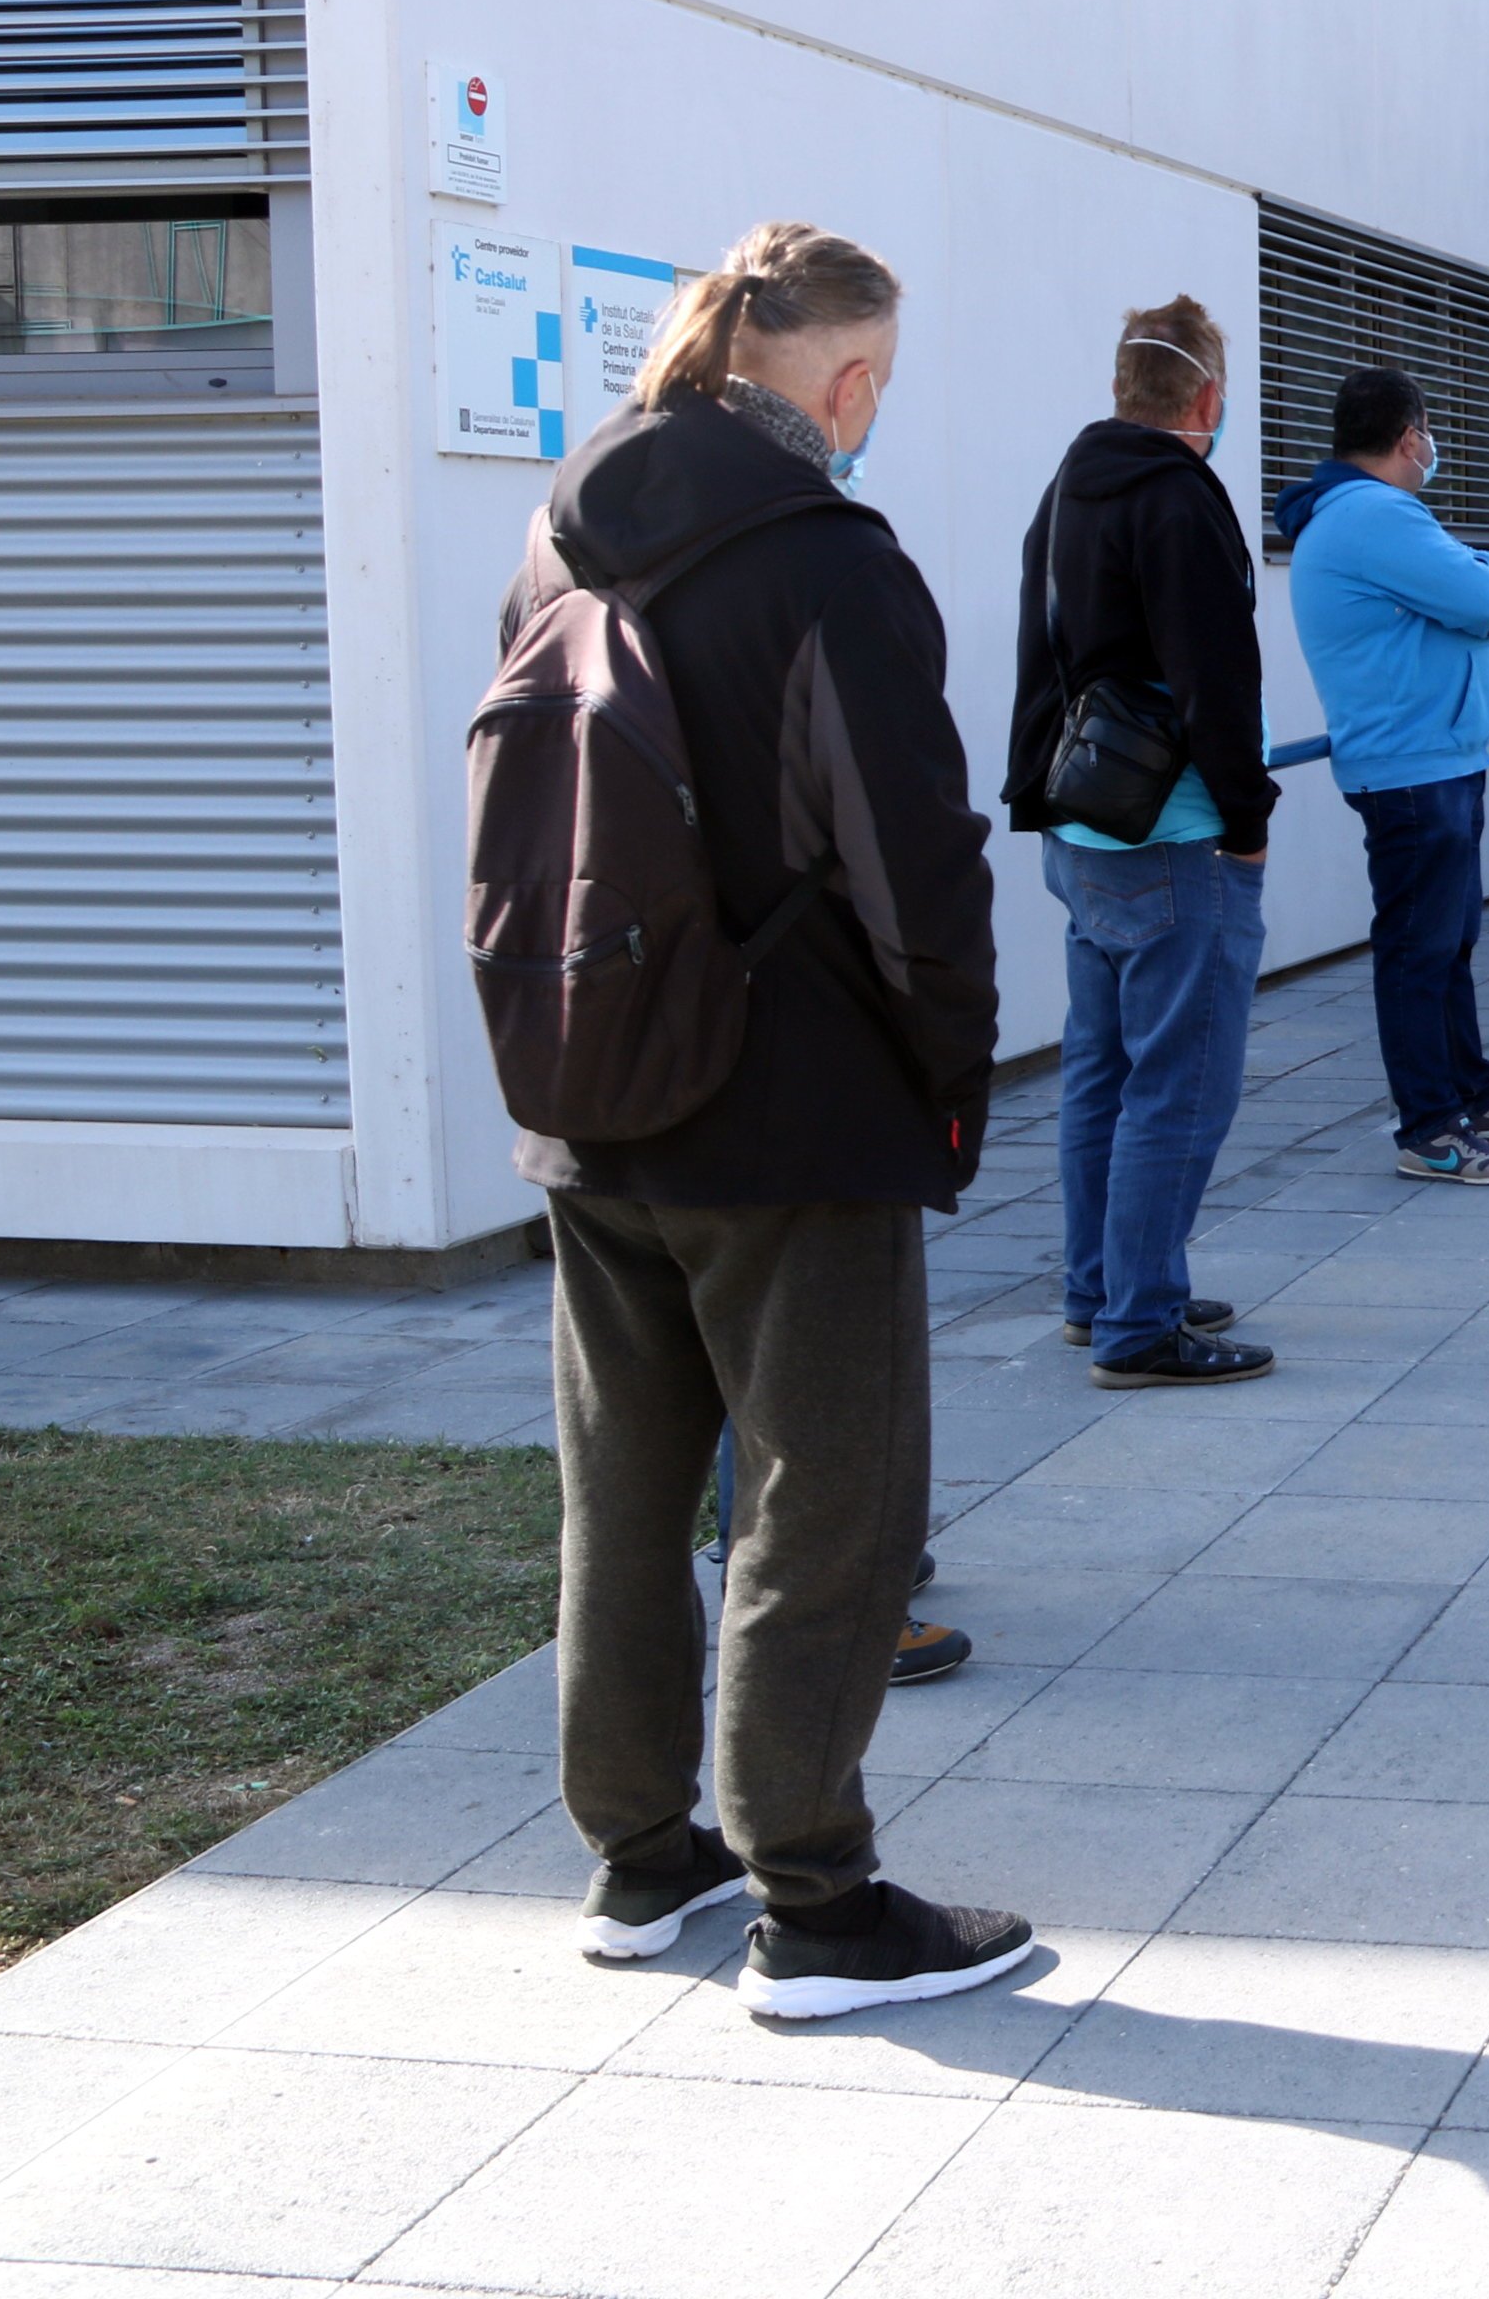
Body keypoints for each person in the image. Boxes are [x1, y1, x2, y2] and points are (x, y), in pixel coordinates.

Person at [493, 221, 1027, 2019]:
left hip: (591, 1084)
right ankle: (818, 1902)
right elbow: (912, 866)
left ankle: (644, 1861)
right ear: (849, 378)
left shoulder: (561, 536)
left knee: (626, 1491)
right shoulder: (826, 563)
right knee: (830, 1499)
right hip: (791, 1109)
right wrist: (950, 1073)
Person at [1003, 296, 1280, 1391]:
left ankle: (1103, 1288)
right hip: (1174, 834)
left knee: (1100, 1071)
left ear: (1125, 390)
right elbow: (1219, 676)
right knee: (1182, 1080)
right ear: (1207, 398)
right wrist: (1249, 822)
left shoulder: (1069, 485)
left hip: (1083, 827)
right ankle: (1141, 1323)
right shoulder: (1179, 499)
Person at [1275, 367, 1489, 1185]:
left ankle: (1471, 1098)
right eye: (1429, 436)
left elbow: (1469, 586)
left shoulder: (1365, 516)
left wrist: (1472, 575)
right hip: (1411, 769)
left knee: (1447, 946)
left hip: (1432, 760)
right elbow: (1481, 599)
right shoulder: (1374, 514)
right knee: (1419, 950)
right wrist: (1481, 575)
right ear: (1411, 438)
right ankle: (1429, 1126)